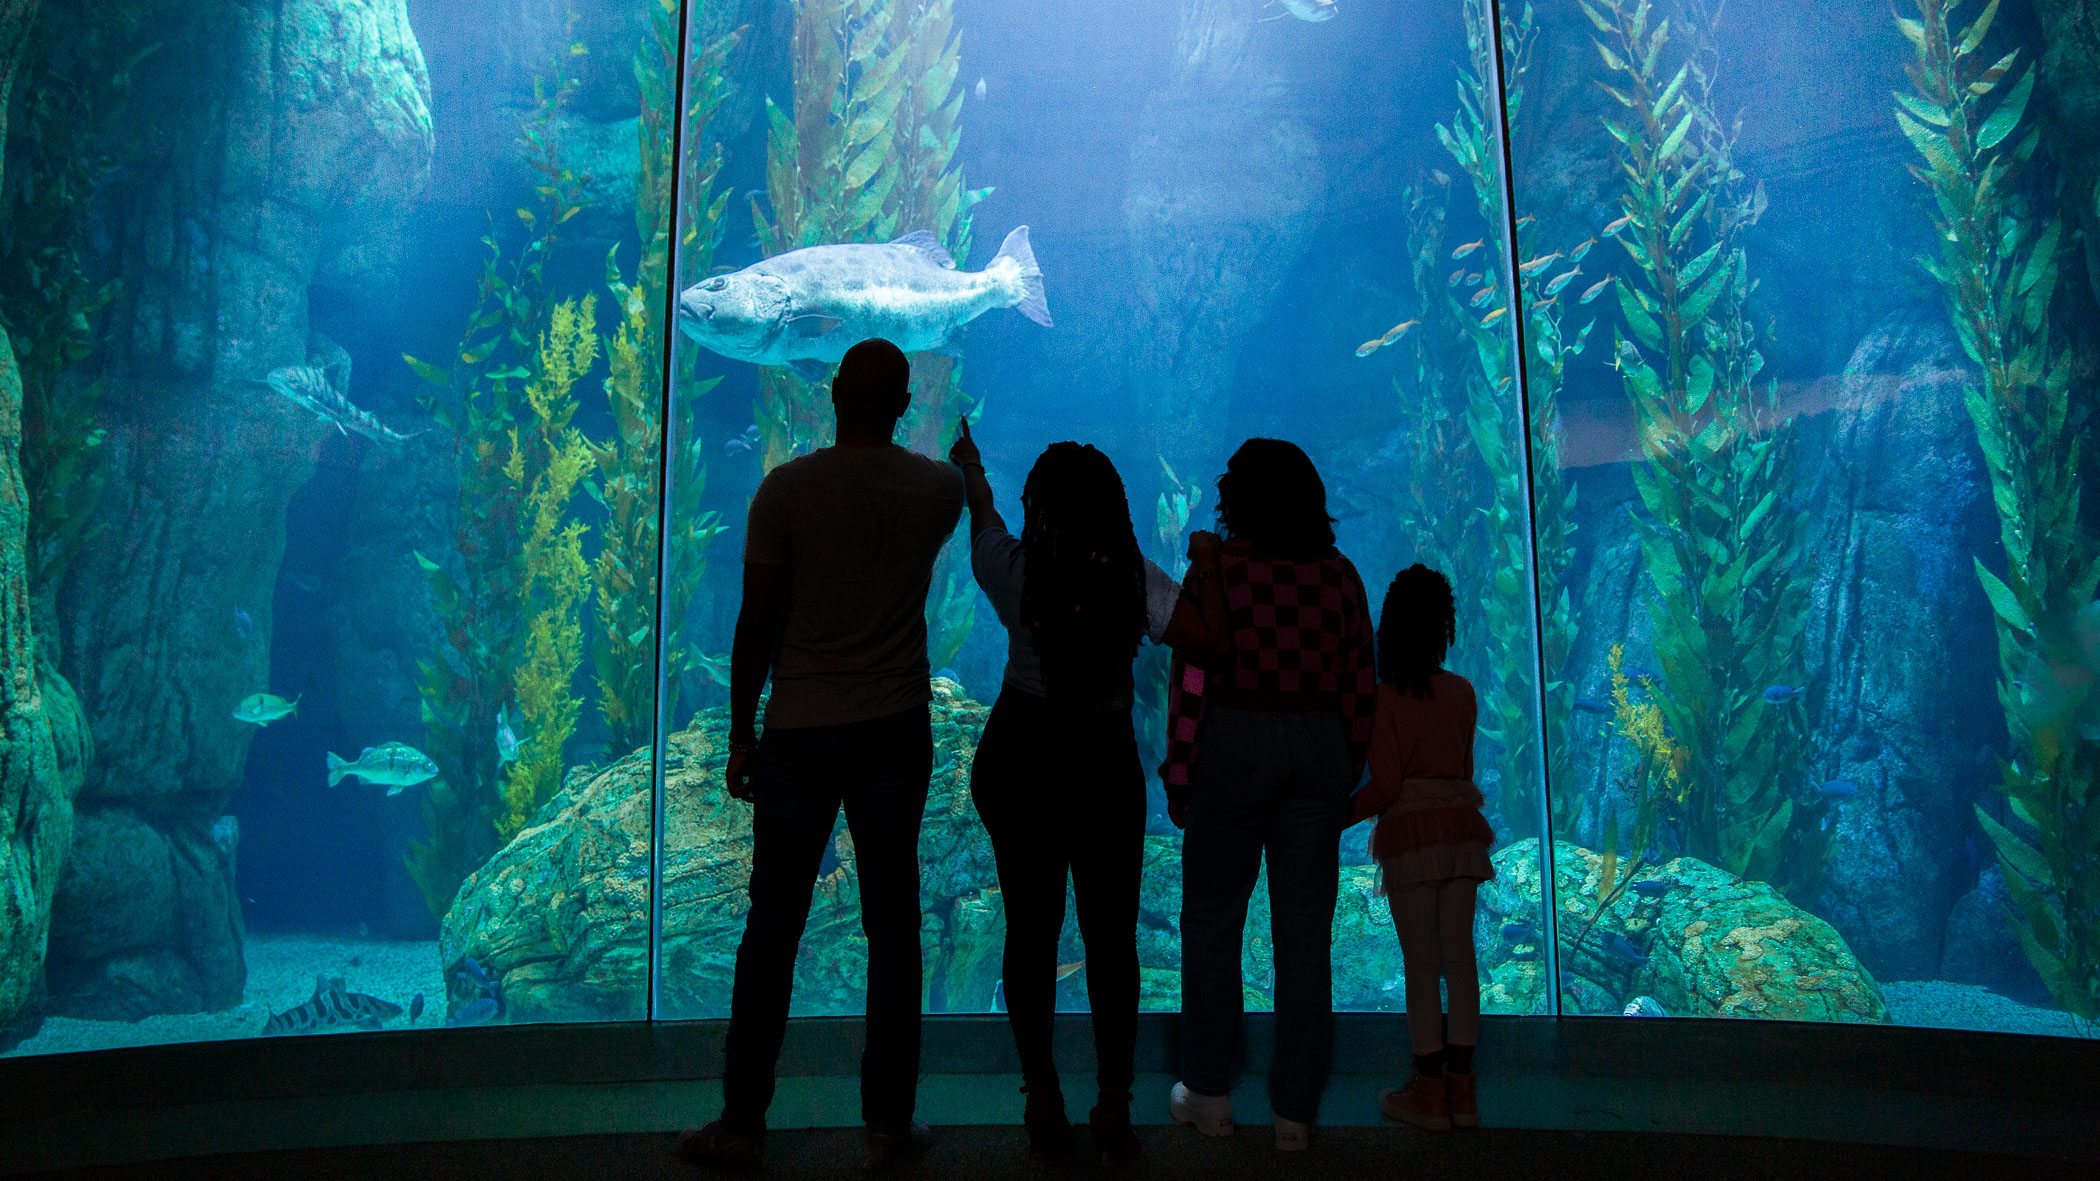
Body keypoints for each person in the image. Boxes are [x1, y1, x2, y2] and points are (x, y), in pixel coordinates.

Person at [681, 339, 964, 1175]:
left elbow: (755, 623)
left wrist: (741, 732)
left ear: (835, 393)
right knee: (894, 927)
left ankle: (742, 1121)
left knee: (772, 926)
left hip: (800, 727)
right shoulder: (937, 490)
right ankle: (887, 1124)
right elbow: (962, 497)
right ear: (906, 402)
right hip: (893, 729)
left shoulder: (785, 491)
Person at [947, 422, 1190, 1162]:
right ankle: (1113, 1104)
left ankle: (1042, 1097)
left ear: (1038, 507)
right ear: (1115, 506)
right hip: (1104, 763)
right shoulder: (1135, 577)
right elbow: (1203, 632)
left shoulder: (1016, 569)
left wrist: (973, 472)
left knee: (1031, 931)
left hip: (1021, 758)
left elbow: (983, 524)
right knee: (1111, 938)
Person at [1160, 438, 1376, 1152]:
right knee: (1305, 937)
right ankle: (1294, 1114)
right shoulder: (1339, 575)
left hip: (1234, 742)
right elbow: (1358, 681)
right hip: (1317, 746)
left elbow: (1192, 679)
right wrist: (1346, 765)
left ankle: (1211, 1093)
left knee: (1213, 921)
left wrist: (1180, 770)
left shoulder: (1221, 571)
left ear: (1235, 501)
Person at [1347, 563, 1494, 1131]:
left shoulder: (1382, 700)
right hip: (1460, 835)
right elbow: (1465, 771)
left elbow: (1383, 787)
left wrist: (1331, 818)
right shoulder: (1461, 693)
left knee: (1420, 967)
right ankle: (1463, 1091)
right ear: (1443, 627)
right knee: (1461, 961)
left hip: (1409, 837)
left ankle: (1428, 1091)